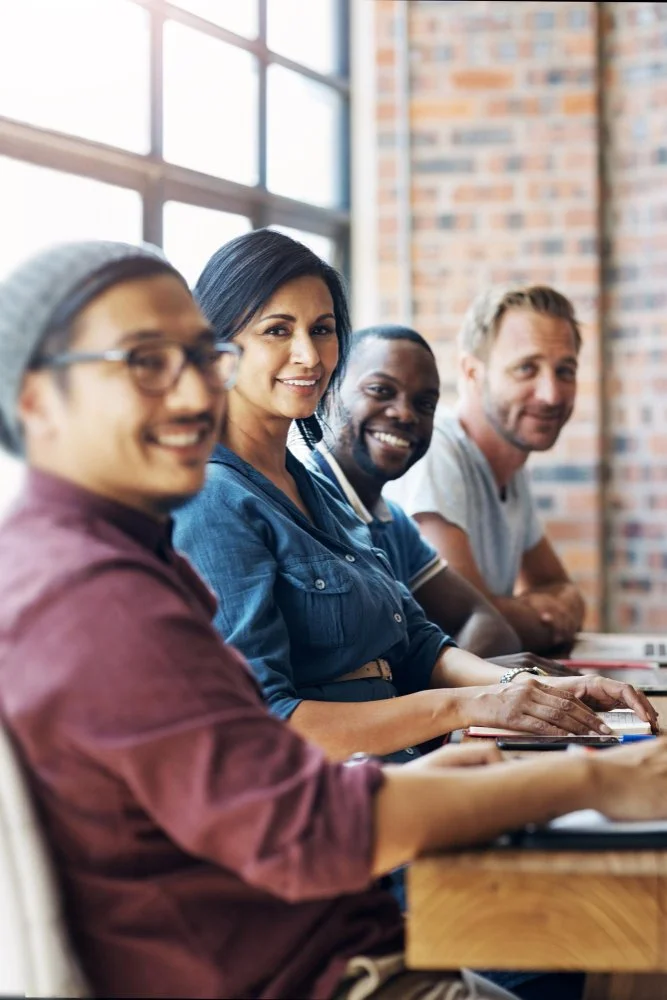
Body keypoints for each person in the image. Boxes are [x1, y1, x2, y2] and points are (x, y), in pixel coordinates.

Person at [1, 241, 665, 1000]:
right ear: (34, 401)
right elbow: (301, 819)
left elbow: (265, 767)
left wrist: (463, 753)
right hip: (326, 972)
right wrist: (587, 777)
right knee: (570, 915)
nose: (192, 395)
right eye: (144, 363)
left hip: (337, 931)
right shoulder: (97, 592)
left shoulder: (127, 550)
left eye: (196, 356)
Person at [174, 229, 654, 772]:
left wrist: (539, 688)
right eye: (277, 330)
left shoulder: (314, 487)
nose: (308, 355)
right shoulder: (211, 500)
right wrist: (470, 703)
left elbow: (420, 645)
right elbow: (267, 723)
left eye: (323, 329)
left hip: (413, 765)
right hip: (340, 801)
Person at [312, 322, 566, 672]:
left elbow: (489, 624)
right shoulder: (301, 502)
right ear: (327, 393)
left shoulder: (393, 521)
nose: (405, 413)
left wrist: (469, 677)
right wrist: (464, 679)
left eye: (425, 403)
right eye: (381, 390)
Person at [385, 285, 586, 655]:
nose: (552, 394)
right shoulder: (435, 452)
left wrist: (536, 609)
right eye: (527, 368)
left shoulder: (512, 463)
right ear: (472, 372)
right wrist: (540, 617)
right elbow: (469, 626)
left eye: (565, 371)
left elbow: (561, 588)